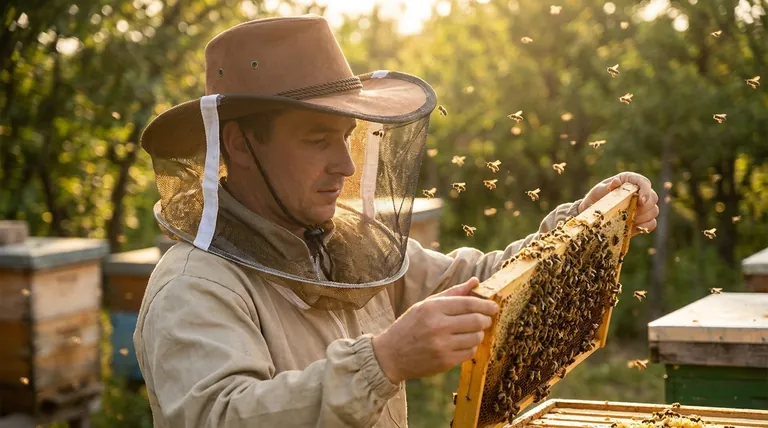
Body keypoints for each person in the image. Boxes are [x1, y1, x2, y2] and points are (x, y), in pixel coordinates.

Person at [133, 14, 660, 428]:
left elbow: (484, 284)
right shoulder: (194, 286)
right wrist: (382, 361)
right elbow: (219, 417)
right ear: (239, 145)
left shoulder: (349, 246)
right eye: (318, 140)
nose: (343, 164)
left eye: (346, 138)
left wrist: (584, 227)